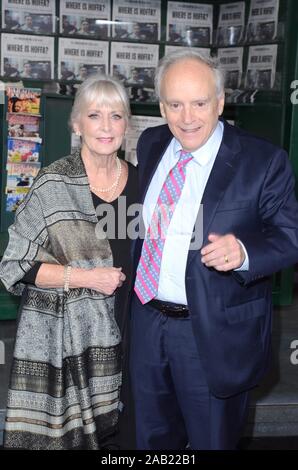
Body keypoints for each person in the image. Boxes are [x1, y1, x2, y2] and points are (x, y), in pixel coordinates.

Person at [130, 49, 298, 450]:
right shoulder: (152, 143)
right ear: (162, 105)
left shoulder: (263, 160)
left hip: (211, 334)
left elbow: (291, 237)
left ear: (220, 102)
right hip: (146, 323)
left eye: (200, 103)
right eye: (175, 104)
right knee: (150, 440)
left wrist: (243, 251)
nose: (187, 117)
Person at [0, 74, 138, 450]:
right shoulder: (52, 183)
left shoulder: (143, 185)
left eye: (116, 116)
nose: (106, 127)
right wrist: (86, 278)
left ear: (128, 123)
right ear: (77, 124)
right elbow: (15, 264)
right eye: (95, 115)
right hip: (69, 346)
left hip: (135, 338)